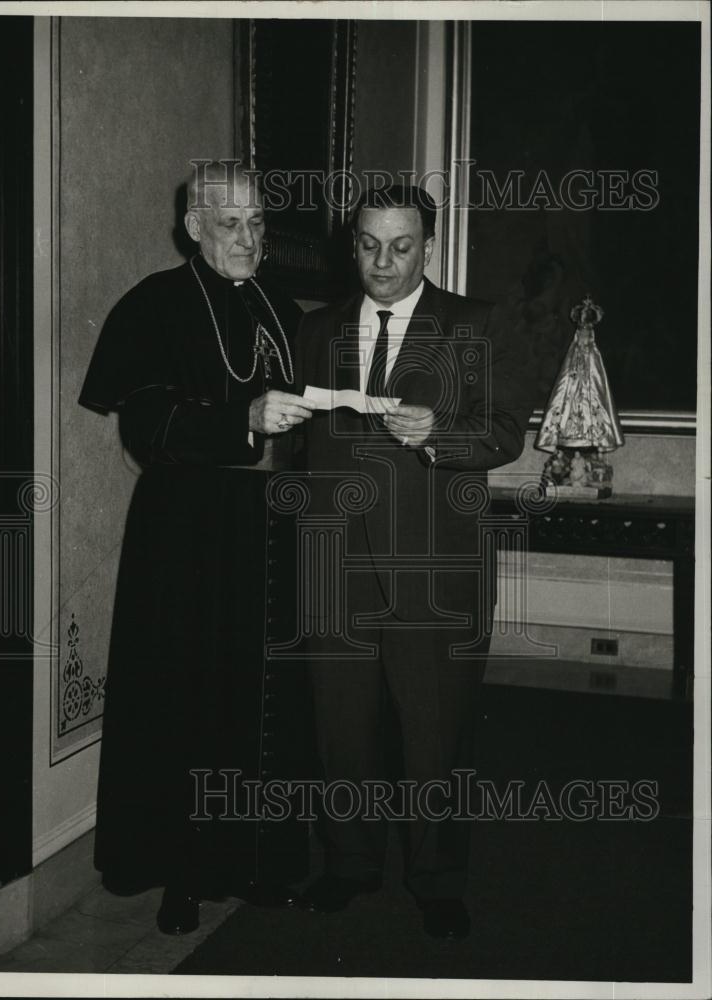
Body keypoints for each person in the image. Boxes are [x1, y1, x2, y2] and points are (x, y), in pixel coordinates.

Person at [78, 161, 316, 935]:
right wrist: (244, 420)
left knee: (265, 695)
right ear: (192, 227)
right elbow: (147, 431)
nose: (248, 239)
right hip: (189, 531)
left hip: (273, 530)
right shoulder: (152, 307)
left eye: (256, 224)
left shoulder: (281, 304)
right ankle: (182, 873)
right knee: (188, 697)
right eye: (228, 224)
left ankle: (260, 860)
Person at [294, 184, 535, 939]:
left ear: (427, 246)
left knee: (435, 735)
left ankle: (437, 879)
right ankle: (348, 864)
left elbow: (504, 434)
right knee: (341, 732)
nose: (383, 263)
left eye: (401, 247)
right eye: (368, 245)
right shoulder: (316, 328)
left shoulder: (475, 322)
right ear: (352, 244)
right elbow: (295, 445)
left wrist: (439, 434)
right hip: (334, 569)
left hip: (434, 572)